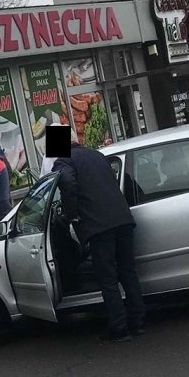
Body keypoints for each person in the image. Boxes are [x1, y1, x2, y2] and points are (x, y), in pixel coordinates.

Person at [51, 133, 145, 343]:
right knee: (128, 272)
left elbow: (66, 182)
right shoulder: (97, 154)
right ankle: (137, 322)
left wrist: (71, 213)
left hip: (99, 226)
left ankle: (119, 328)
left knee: (107, 278)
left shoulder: (64, 161)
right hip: (122, 218)